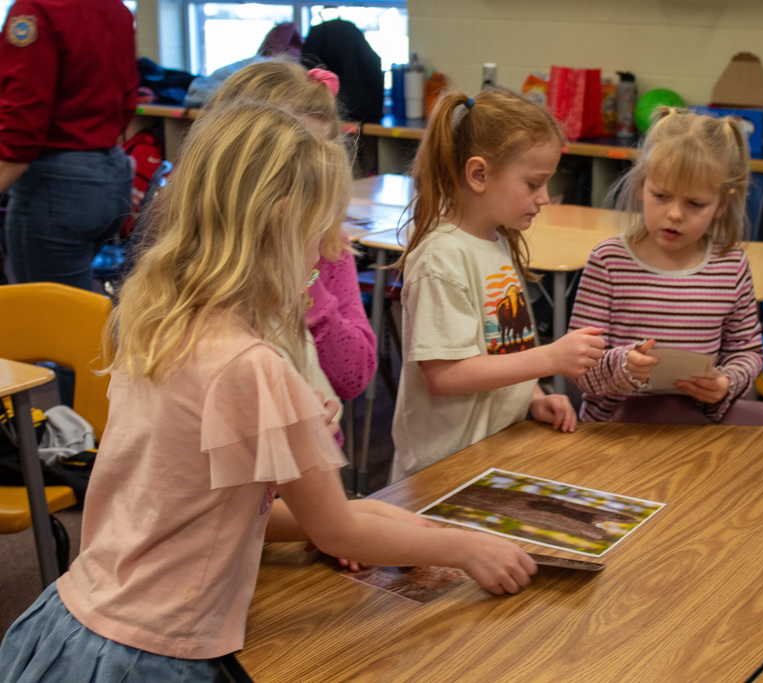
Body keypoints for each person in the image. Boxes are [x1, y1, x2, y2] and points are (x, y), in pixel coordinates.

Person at [0, 101, 536, 683]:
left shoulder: (157, 321)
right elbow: (338, 532)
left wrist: (358, 510)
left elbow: (206, 507)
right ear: (281, 225)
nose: (325, 253)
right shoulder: (252, 366)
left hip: (75, 618)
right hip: (152, 652)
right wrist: (468, 549)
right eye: (319, 233)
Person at [390, 88, 607, 482]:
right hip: (442, 472)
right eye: (533, 183)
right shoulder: (441, 257)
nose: (544, 198)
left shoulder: (498, 239)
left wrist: (533, 396)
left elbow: (501, 347)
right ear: (479, 175)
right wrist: (550, 360)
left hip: (494, 456)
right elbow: (445, 376)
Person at [202, 58, 377, 447]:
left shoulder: (327, 253)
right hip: (241, 474)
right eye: (290, 170)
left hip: (306, 466)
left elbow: (354, 377)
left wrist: (307, 287)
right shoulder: (198, 271)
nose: (306, 191)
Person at [568, 106, 763, 422]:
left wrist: (726, 383)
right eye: (661, 196)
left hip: (694, 435)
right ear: (643, 186)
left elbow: (748, 352)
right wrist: (623, 367)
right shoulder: (609, 261)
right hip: (611, 437)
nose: (674, 214)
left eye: (695, 203)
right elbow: (577, 367)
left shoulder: (731, 265)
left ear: (722, 204)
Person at [0, 0, 137, 290]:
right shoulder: (116, 9)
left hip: (57, 185)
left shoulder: (35, 10)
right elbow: (126, 102)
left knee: (48, 314)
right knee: (74, 300)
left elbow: (22, 127)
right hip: (110, 172)